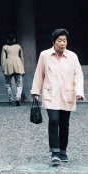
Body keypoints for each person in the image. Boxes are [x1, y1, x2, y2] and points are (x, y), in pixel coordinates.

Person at [31, 28, 84, 166]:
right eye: (59, 40)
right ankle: (54, 152)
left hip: (67, 93)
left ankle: (63, 151)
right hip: (51, 93)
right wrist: (36, 91)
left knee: (64, 123)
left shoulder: (73, 56)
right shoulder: (45, 55)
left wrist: (79, 91)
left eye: (64, 40)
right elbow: (39, 73)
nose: (62, 43)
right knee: (53, 120)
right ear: (54, 42)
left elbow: (78, 75)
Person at [1, 33, 24, 106]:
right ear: (14, 39)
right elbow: (22, 58)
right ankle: (18, 98)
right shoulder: (18, 46)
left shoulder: (5, 47)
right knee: (19, 84)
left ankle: (11, 100)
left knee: (8, 84)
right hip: (18, 64)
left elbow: (3, 59)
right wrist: (23, 68)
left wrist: (3, 68)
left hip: (8, 65)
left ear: (7, 40)